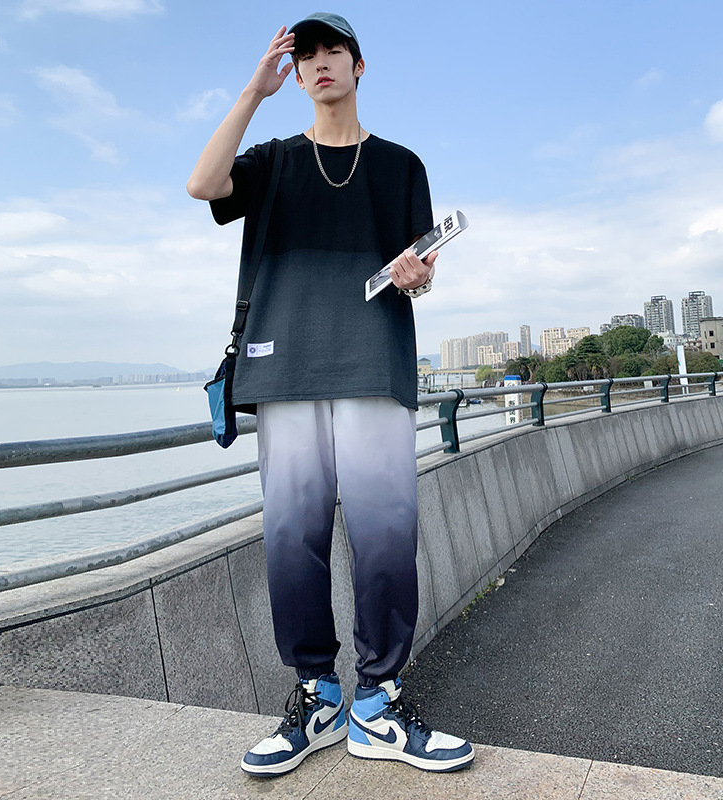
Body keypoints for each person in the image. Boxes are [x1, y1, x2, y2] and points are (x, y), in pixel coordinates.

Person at [187, 12, 474, 777]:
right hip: (283, 369)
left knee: (385, 537)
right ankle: (316, 696)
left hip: (373, 363)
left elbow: (420, 270)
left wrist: (417, 275)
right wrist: (253, 90)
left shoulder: (401, 165)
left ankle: (377, 703)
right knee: (292, 538)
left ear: (358, 65)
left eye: (332, 51)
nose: (318, 63)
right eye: (305, 54)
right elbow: (203, 184)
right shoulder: (274, 159)